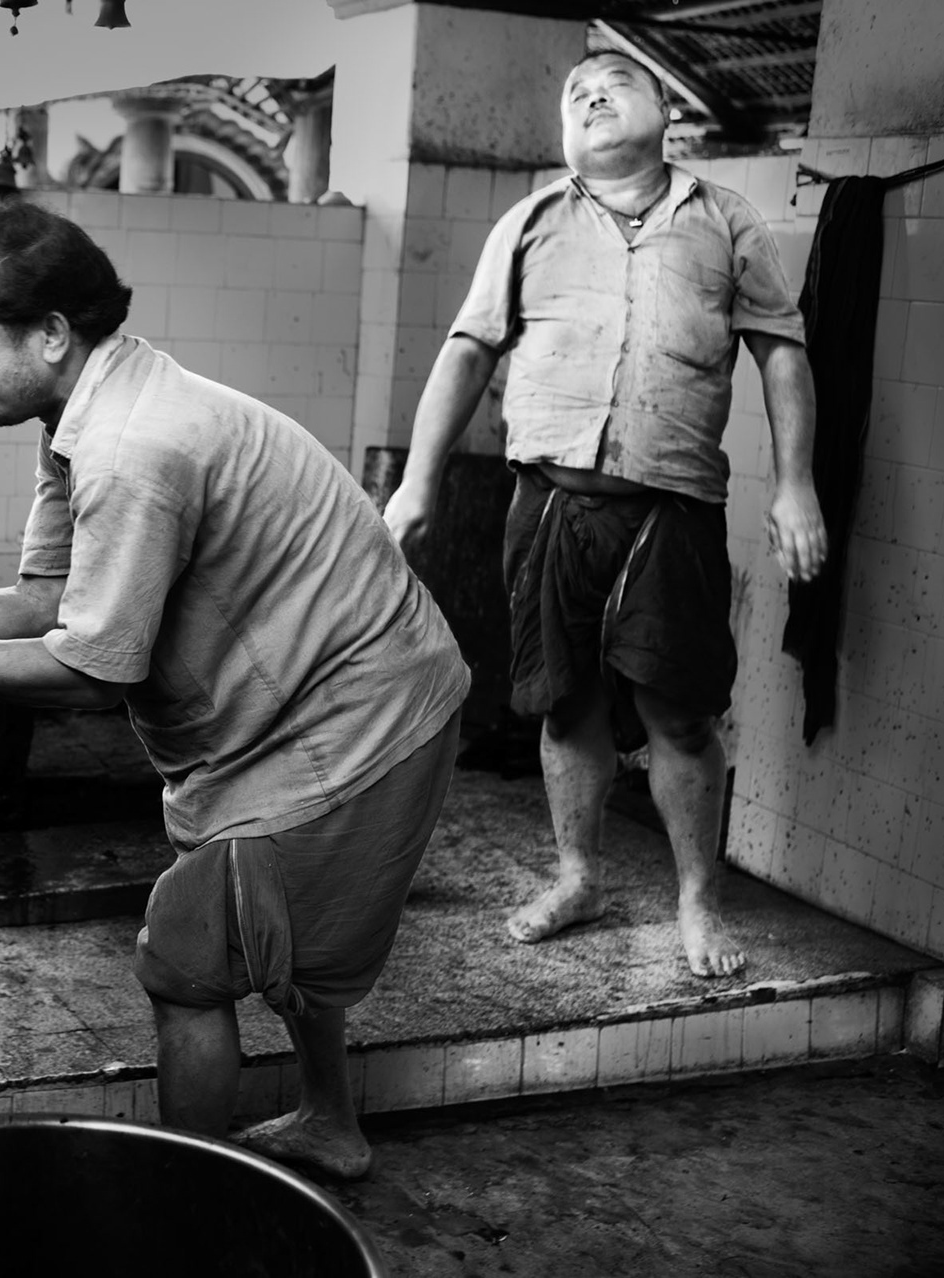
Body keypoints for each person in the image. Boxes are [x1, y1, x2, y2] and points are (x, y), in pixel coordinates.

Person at [0, 200, 470, 1178]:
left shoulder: (132, 444)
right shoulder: (85, 415)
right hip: (308, 716)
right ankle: (331, 1121)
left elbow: (82, 675)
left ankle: (183, 1213)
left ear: (53, 333)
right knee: (280, 944)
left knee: (188, 963)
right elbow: (42, 603)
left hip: (355, 723)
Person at [383, 49, 828, 979]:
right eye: (574, 95)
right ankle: (578, 876)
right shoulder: (531, 221)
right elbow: (467, 351)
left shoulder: (728, 221)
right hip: (549, 504)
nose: (590, 96)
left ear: (667, 111)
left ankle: (698, 900)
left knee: (683, 716)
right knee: (563, 704)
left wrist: (797, 483)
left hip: (672, 508)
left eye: (614, 85)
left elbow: (782, 352)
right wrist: (419, 481)